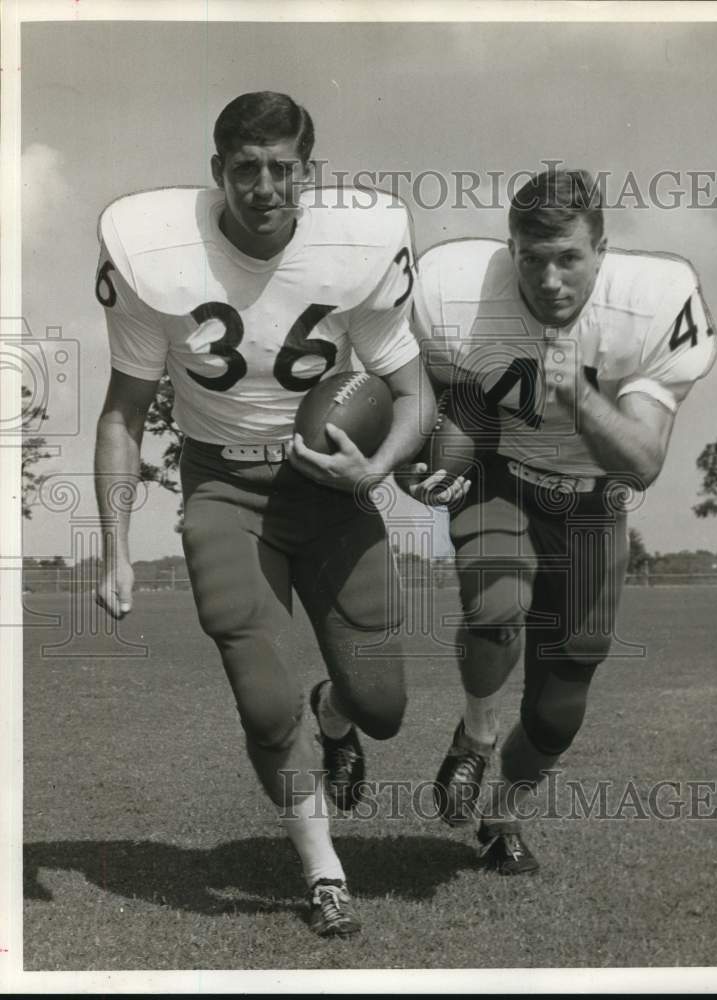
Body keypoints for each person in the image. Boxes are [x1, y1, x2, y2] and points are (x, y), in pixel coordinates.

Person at [93, 91, 434, 935]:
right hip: (221, 489)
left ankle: (336, 716)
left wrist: (378, 464)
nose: (265, 185)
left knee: (382, 707)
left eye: (283, 167)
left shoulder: (359, 245)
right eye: (246, 167)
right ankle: (323, 871)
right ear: (217, 173)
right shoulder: (152, 252)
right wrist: (115, 551)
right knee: (260, 699)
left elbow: (413, 390)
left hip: (328, 490)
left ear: (307, 174)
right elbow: (121, 414)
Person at [409, 168, 717, 874]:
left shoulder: (653, 303)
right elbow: (450, 402)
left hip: (591, 501)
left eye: (568, 258)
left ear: (600, 250)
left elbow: (640, 464)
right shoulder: (458, 290)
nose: (549, 280)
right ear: (509, 249)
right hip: (501, 475)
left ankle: (502, 816)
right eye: (531, 259)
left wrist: (580, 400)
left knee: (557, 709)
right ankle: (475, 738)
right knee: (496, 606)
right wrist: (437, 461)